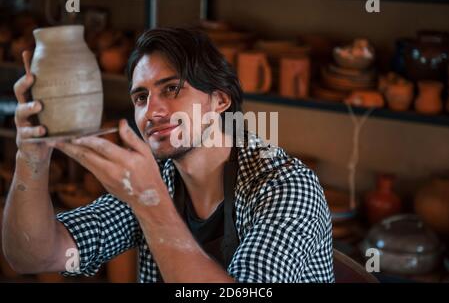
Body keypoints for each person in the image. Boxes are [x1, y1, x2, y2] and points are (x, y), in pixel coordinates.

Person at [2, 27, 334, 283]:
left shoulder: (286, 186)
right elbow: (33, 257)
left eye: (171, 89)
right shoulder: (159, 176)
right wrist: (31, 155)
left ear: (219, 101)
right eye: (141, 97)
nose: (152, 111)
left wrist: (149, 201)